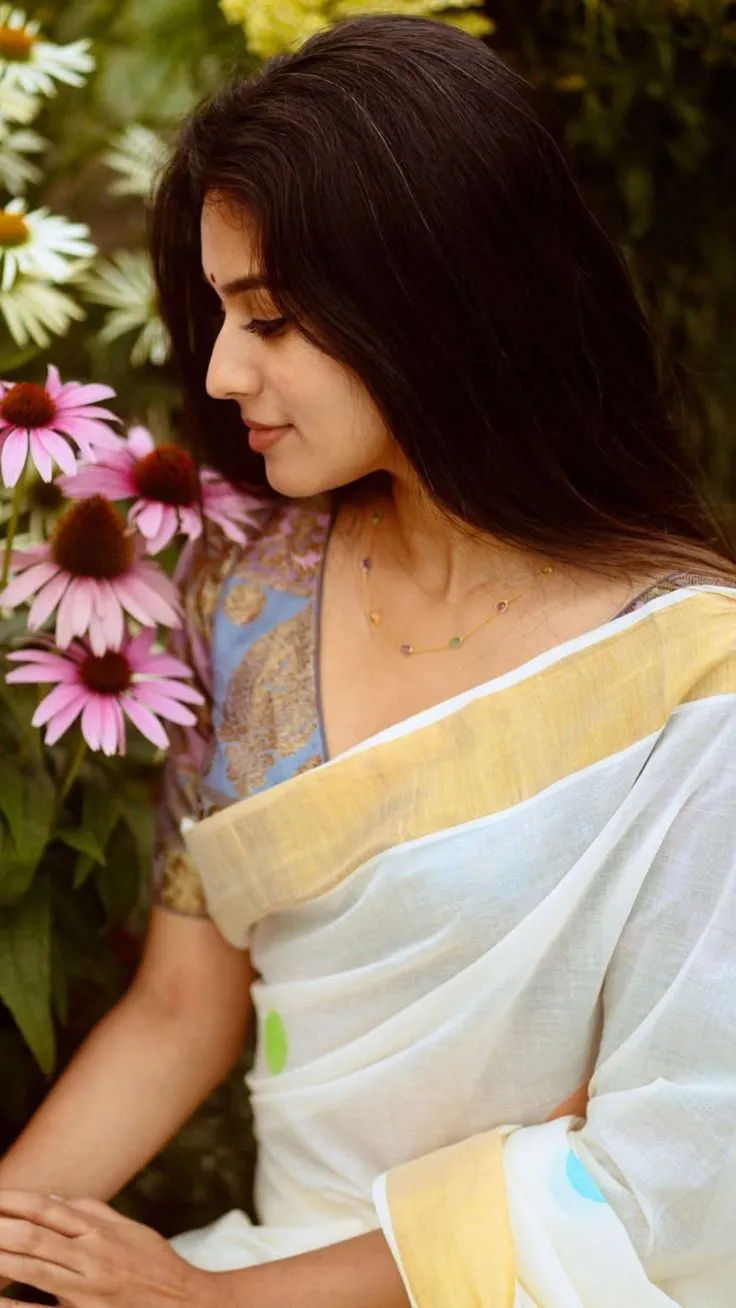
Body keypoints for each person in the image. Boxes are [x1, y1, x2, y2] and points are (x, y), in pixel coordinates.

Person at [0, 13, 735, 1307]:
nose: (223, 369)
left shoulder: (695, 684)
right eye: (222, 313)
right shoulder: (245, 598)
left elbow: (663, 1172)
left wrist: (218, 1303)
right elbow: (181, 1010)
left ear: (437, 300)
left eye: (270, 318)